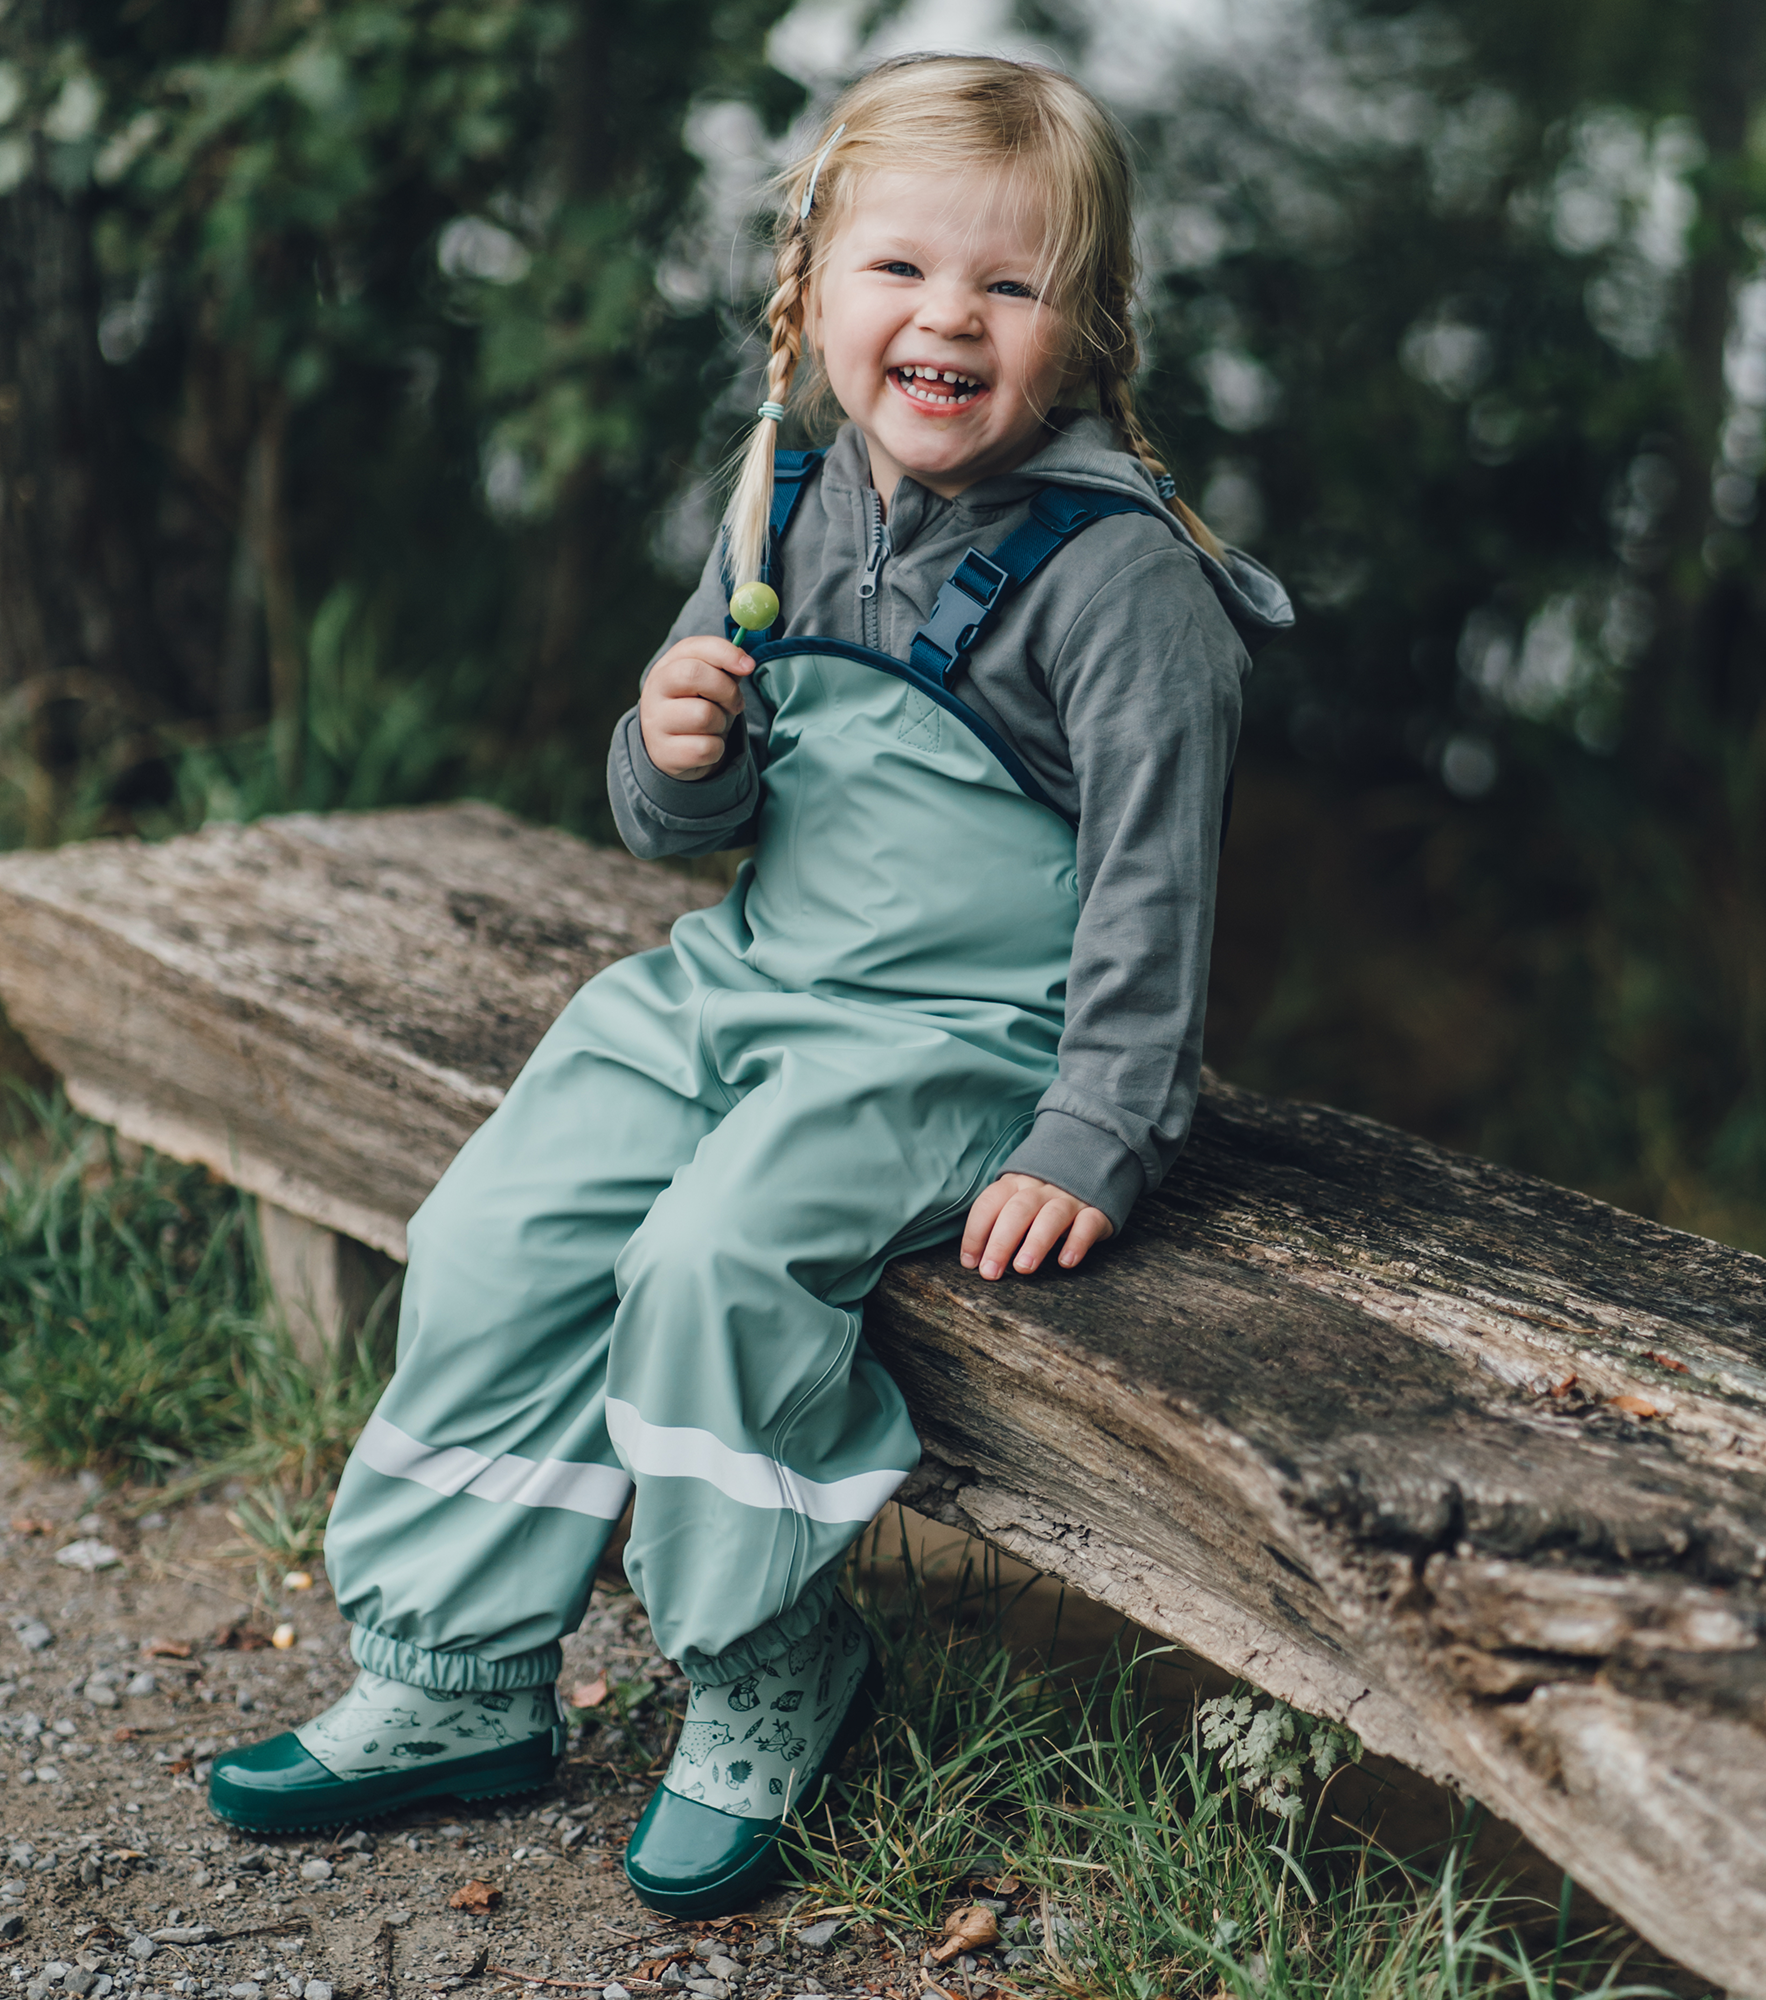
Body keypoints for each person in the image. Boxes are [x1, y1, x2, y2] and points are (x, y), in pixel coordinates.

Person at [207, 51, 1291, 1917]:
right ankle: (453, 1677)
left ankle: (767, 1660)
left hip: (964, 1045)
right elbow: (670, 821)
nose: (947, 317)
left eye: (1010, 288)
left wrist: (1099, 1131)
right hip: (747, 983)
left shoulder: (1128, 590)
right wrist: (678, 740)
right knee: (499, 1225)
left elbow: (1155, 896)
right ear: (813, 292)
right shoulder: (785, 498)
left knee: (709, 1267)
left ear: (1087, 328)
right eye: (902, 272)